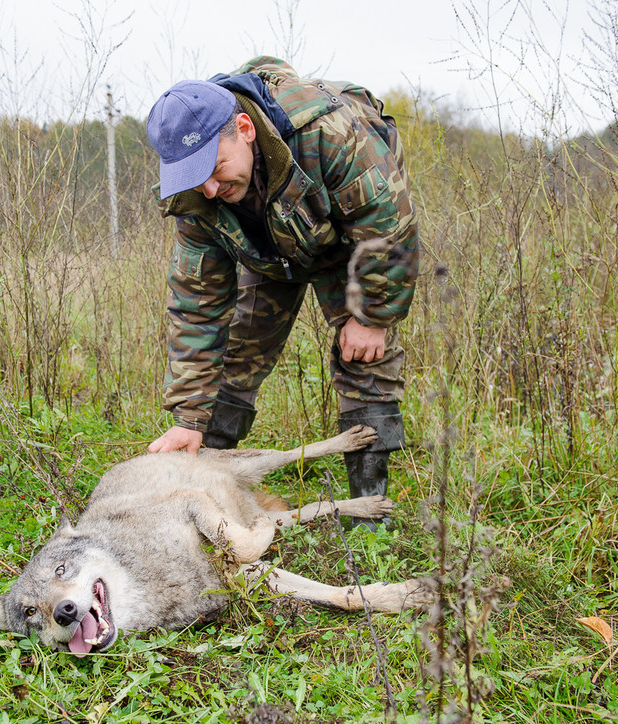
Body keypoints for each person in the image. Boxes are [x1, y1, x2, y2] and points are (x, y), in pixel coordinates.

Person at [144, 56, 419, 528]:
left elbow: (387, 225)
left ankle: (371, 526)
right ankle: (206, 496)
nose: (209, 188)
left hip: (346, 244)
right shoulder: (196, 199)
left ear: (245, 129)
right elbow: (197, 306)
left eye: (216, 167)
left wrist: (373, 314)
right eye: (194, 177)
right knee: (235, 357)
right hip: (269, 254)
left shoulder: (329, 133)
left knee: (365, 360)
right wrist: (188, 417)